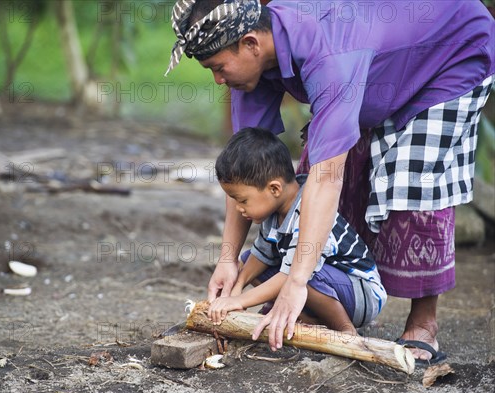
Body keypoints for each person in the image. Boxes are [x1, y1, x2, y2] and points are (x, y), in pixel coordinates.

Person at [165, 0, 494, 363]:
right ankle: (331, 304)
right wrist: (228, 260)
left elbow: (326, 178)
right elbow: (245, 171)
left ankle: (422, 323)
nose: (218, 79)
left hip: (451, 50)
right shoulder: (256, 65)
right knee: (308, 179)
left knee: (411, 180)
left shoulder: (329, 53)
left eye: (218, 67)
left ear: (251, 44)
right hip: (379, 64)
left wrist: (295, 282)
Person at [208, 127, 387, 335]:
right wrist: (237, 286)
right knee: (249, 259)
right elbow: (261, 256)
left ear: (274, 189)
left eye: (242, 200)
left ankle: (346, 330)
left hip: (361, 294)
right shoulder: (273, 212)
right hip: (327, 286)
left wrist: (239, 301)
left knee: (304, 271)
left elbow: (293, 274)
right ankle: (309, 318)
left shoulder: (308, 211)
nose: (238, 209)